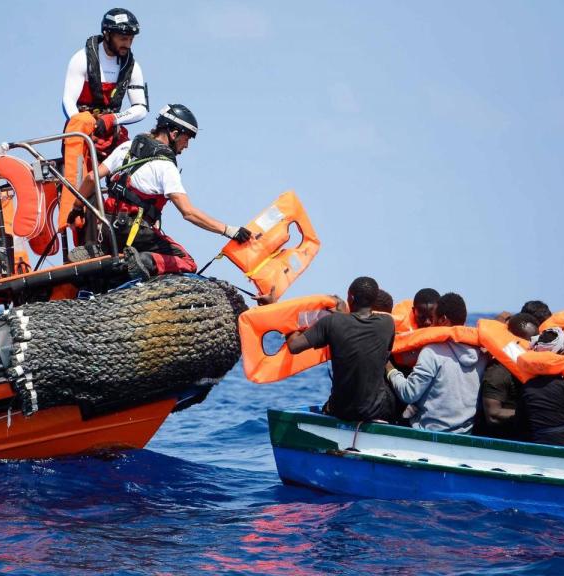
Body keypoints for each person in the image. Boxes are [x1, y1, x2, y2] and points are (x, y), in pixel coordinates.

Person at [74, 104, 252, 278]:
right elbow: (188, 213)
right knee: (187, 262)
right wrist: (228, 230)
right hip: (134, 232)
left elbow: (90, 178)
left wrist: (75, 209)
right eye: (187, 138)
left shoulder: (126, 147)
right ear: (174, 134)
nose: (187, 145)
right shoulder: (166, 167)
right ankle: (144, 261)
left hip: (106, 228)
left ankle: (98, 251)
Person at [285, 277, 397, 422]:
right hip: (376, 411)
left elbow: (294, 346)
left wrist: (287, 323)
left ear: (350, 297)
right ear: (374, 300)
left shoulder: (331, 322)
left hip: (341, 411)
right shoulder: (388, 324)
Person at [386, 292, 486, 433]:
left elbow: (408, 394)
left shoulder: (431, 352)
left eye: (432, 318)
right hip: (466, 433)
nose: (429, 324)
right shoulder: (482, 355)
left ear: (443, 319)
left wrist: (390, 370)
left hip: (428, 431)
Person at [62, 8, 147, 154]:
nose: (128, 44)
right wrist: (88, 130)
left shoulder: (133, 67)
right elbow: (68, 101)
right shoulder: (81, 59)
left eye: (131, 39)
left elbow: (141, 108)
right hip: (83, 132)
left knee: (132, 158)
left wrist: (112, 118)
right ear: (107, 34)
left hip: (112, 130)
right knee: (81, 170)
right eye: (123, 39)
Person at [475, 312, 539, 440]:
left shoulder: (534, 369)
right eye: (527, 342)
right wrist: (535, 415)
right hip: (499, 443)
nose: (531, 347)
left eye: (535, 342)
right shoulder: (498, 372)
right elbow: (493, 415)